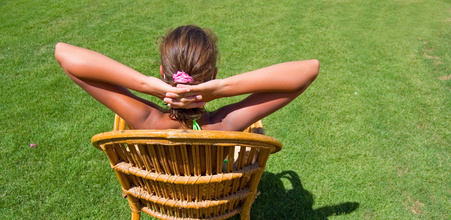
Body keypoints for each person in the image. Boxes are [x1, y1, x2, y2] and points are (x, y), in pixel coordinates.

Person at [55, 25, 319, 132]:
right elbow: (308, 70)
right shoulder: (223, 125)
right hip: (218, 198)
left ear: (162, 73)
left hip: (162, 199)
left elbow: (65, 54)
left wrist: (147, 85)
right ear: (213, 76)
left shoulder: (147, 120)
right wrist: (222, 89)